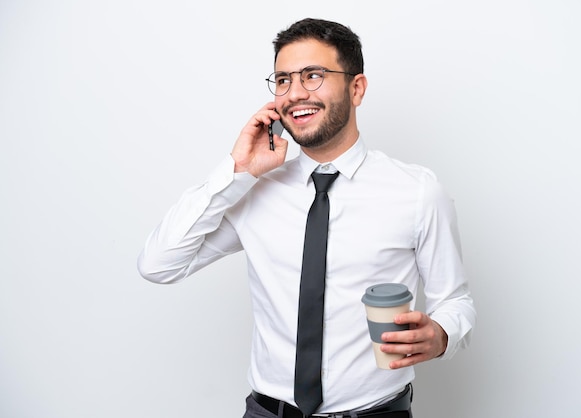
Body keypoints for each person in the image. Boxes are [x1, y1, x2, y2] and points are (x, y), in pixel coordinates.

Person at [137, 17, 476, 418]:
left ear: (356, 88)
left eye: (313, 76)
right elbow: (158, 265)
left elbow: (455, 301)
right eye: (282, 80)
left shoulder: (417, 192)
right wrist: (235, 171)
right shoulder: (253, 190)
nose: (295, 93)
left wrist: (441, 335)